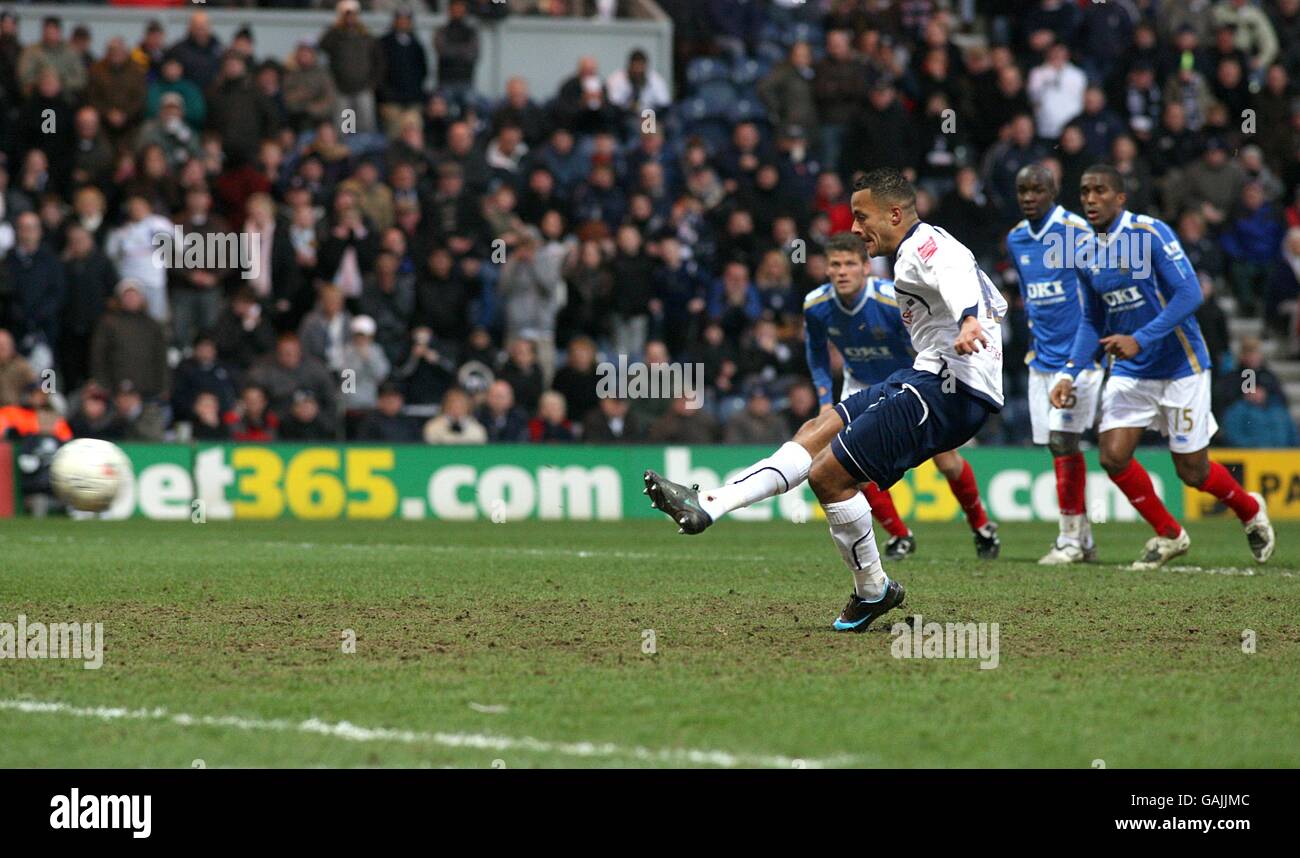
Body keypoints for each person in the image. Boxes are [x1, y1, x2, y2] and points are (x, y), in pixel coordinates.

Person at [645, 169, 1007, 632]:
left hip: (948, 391)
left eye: (862, 217)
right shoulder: (915, 252)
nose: (855, 230)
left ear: (894, 214)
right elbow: (991, 294)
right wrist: (979, 321)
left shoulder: (922, 246)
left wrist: (970, 320)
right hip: (923, 377)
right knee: (815, 433)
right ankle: (710, 503)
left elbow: (959, 278)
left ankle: (874, 589)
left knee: (828, 477)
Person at [1050, 164, 1276, 569]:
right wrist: (1069, 371)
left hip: (1179, 365)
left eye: (1100, 191)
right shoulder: (1083, 252)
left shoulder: (1149, 233)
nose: (1090, 199)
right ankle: (1170, 534)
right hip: (1131, 370)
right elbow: (1092, 321)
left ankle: (1248, 508)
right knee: (1112, 456)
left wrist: (1141, 338)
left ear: (1120, 198)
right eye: (1084, 192)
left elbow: (1190, 294)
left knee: (1193, 471)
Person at [803, 233, 1001, 560]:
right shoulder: (816, 306)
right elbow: (815, 352)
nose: (842, 271)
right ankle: (900, 535)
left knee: (947, 460)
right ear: (825, 269)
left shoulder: (887, 300)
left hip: (907, 381)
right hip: (858, 385)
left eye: (850, 263)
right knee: (852, 468)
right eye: (835, 264)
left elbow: (920, 340)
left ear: (866, 267)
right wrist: (825, 396)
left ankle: (981, 526)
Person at [1006, 165, 1101, 564]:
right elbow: (1032, 295)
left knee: (1064, 440)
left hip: (1076, 359)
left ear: (1054, 190)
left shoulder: (1076, 232)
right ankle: (1084, 537)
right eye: (1022, 190)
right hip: (1040, 359)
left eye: (1037, 189)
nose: (1029, 197)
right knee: (1055, 446)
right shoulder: (1015, 239)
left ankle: (1068, 540)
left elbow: (1095, 294)